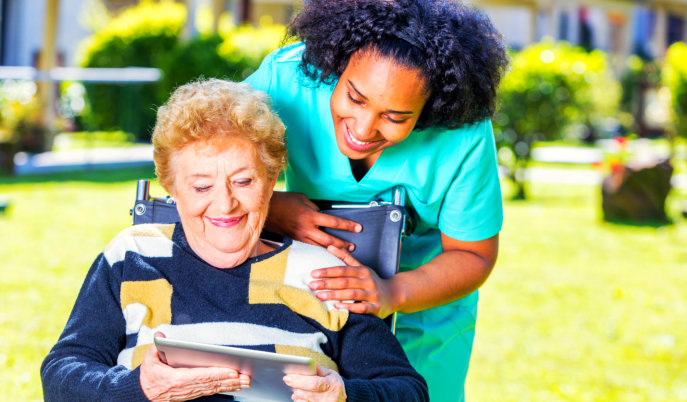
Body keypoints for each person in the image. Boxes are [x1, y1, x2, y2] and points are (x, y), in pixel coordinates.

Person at [41, 79, 428, 402]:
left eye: (243, 181)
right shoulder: (133, 255)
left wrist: (345, 395)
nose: (224, 204)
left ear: (272, 181)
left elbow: (408, 391)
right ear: (171, 187)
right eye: (201, 185)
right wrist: (137, 387)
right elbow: (60, 375)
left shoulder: (326, 274)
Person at [243, 0, 509, 400]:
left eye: (396, 117)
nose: (363, 130)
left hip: (426, 290)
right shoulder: (284, 80)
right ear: (337, 62)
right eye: (355, 97)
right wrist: (270, 209)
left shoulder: (462, 131)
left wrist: (391, 293)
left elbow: (474, 255)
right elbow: (204, 166)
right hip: (307, 279)